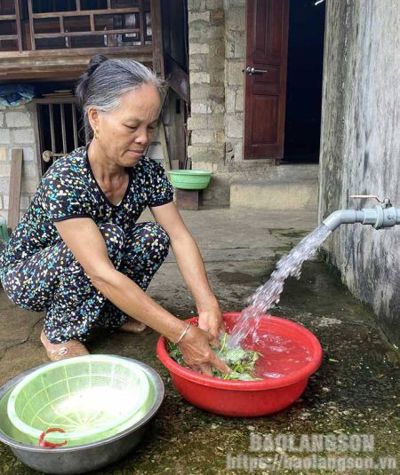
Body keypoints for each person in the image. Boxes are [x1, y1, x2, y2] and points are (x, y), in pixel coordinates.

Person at [0, 55, 229, 376]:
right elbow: (100, 273)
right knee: (108, 239)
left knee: (153, 237)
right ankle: (59, 333)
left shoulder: (147, 173)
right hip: (28, 274)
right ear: (95, 118)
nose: (144, 139)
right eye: (132, 126)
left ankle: (111, 315)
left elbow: (179, 236)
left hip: (96, 261)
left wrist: (207, 303)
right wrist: (181, 332)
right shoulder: (67, 178)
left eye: (150, 126)